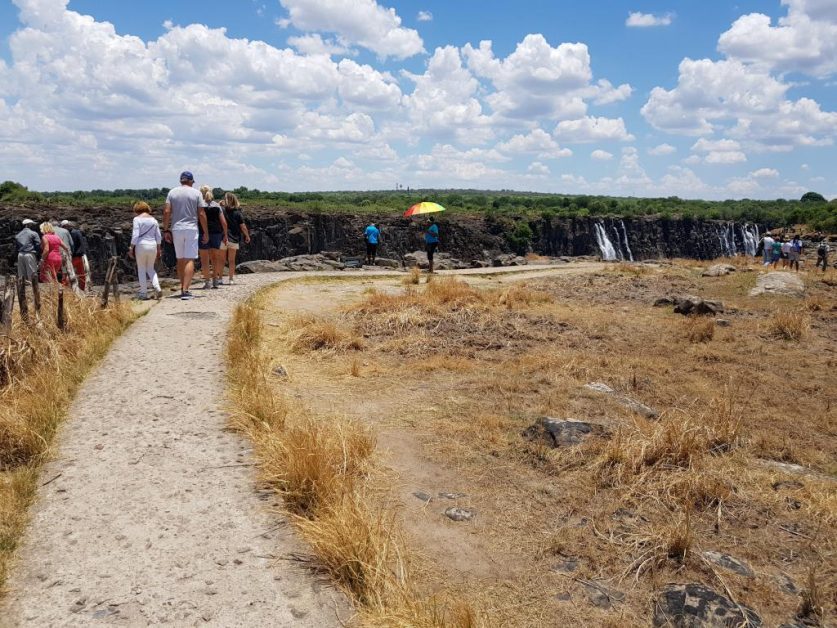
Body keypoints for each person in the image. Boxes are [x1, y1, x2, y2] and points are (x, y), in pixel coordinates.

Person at [163, 171, 208, 300]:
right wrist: (205, 231)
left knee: (180, 259)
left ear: (181, 180)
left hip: (176, 228)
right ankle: (186, 290)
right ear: (190, 181)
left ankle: (182, 286)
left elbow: (166, 211)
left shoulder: (172, 192)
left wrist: (166, 230)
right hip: (191, 228)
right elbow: (201, 214)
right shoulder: (196, 193)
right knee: (190, 259)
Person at [128, 202, 163, 300]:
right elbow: (159, 236)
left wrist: (131, 248)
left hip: (141, 246)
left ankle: (143, 293)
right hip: (153, 246)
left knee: (141, 269)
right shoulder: (154, 220)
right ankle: (157, 287)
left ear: (137, 210)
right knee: (151, 269)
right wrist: (159, 249)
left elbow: (135, 235)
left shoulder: (137, 219)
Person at [198, 185, 228, 289]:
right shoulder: (217, 206)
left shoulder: (200, 205)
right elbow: (223, 222)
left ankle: (207, 282)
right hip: (216, 233)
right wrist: (225, 235)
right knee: (215, 258)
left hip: (202, 233)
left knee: (204, 259)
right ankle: (215, 280)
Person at [221, 192, 250, 285]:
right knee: (231, 260)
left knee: (221, 260)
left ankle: (219, 279)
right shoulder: (237, 213)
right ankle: (231, 279)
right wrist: (247, 235)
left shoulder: (221, 211)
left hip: (223, 238)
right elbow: (243, 226)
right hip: (233, 238)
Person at [62, 220, 89, 291]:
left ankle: (67, 288)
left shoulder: (73, 232)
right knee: (80, 273)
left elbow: (80, 244)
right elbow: (81, 244)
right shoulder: (75, 232)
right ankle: (81, 288)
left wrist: (77, 253)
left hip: (72, 256)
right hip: (76, 256)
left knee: (66, 272)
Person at [51, 219, 79, 290]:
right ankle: (65, 285)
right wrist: (71, 252)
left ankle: (55, 285)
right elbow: (71, 243)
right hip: (65, 252)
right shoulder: (65, 231)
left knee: (54, 269)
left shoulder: (50, 232)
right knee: (66, 269)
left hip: (54, 252)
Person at [15, 219, 41, 285]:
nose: (33, 226)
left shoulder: (18, 234)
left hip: (20, 254)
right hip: (30, 253)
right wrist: (37, 253)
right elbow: (38, 244)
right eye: (32, 224)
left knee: (21, 274)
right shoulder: (33, 233)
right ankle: (33, 288)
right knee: (32, 273)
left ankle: (22, 289)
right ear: (28, 225)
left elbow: (16, 246)